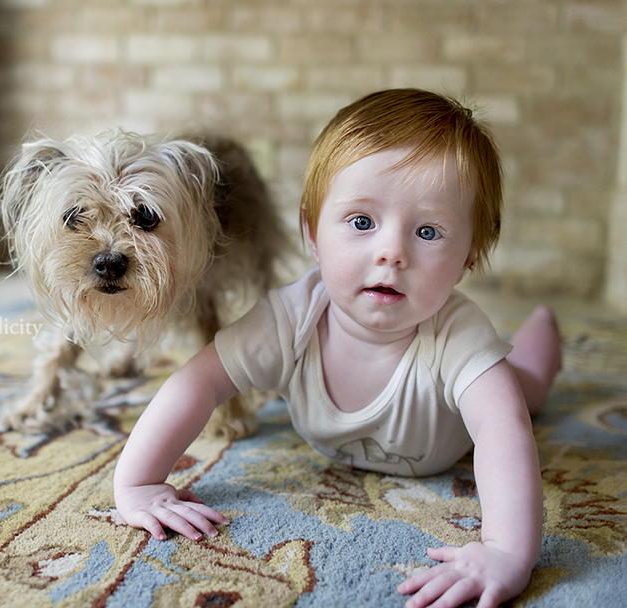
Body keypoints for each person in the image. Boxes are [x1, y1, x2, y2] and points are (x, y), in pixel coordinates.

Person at [113, 89, 562, 608]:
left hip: (450, 432)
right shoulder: (290, 316)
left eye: (428, 231)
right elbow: (199, 381)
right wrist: (139, 484)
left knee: (523, 388)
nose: (392, 253)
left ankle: (543, 328)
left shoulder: (458, 335)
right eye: (362, 222)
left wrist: (506, 551)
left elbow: (502, 429)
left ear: (468, 257)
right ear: (312, 232)